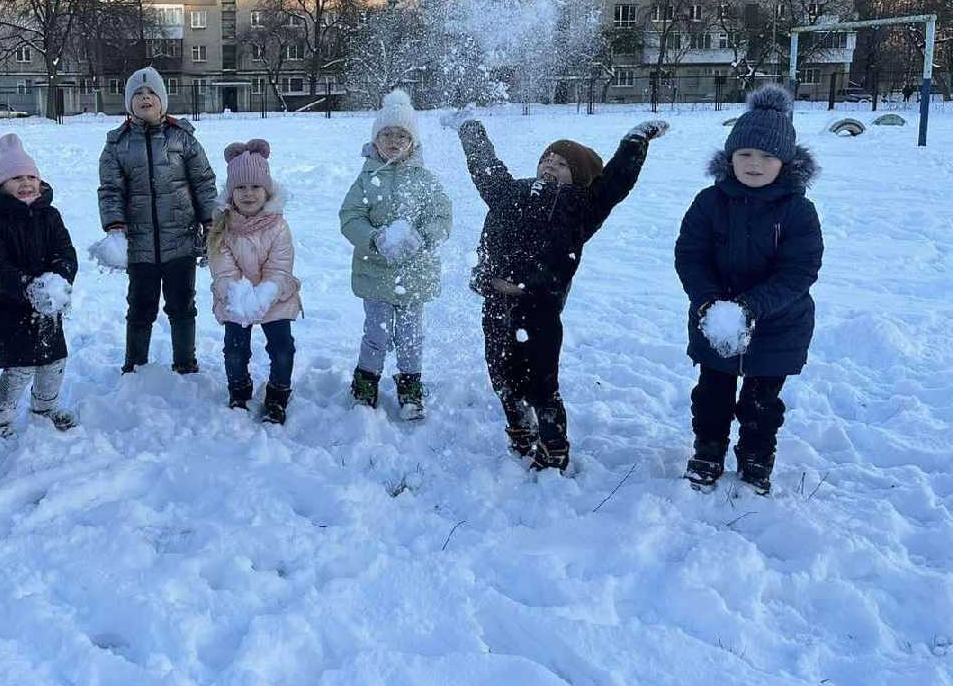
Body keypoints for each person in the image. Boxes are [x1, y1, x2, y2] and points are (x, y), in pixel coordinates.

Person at [458, 114, 667, 471]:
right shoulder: (512, 191)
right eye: (547, 159)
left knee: (541, 381)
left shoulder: (582, 206)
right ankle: (520, 429)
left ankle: (554, 447)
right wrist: (471, 131)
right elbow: (487, 169)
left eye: (562, 164)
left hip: (538, 308)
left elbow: (616, 180)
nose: (550, 166)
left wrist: (635, 141)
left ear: (579, 178)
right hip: (495, 299)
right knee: (501, 374)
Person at [675, 85, 823, 494]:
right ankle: (708, 449)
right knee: (712, 394)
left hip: (777, 325)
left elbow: (800, 271)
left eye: (766, 156)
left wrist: (751, 306)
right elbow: (690, 255)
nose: (754, 164)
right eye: (744, 154)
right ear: (730, 158)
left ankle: (756, 456)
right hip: (714, 321)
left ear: (785, 163)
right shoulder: (709, 202)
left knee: (761, 403)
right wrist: (707, 302)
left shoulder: (798, 211)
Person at [339, 90, 452, 421]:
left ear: (413, 142)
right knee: (376, 331)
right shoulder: (366, 179)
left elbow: (442, 216)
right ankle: (366, 381)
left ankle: (410, 385)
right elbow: (349, 218)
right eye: (387, 134)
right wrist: (374, 239)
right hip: (376, 272)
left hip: (413, 275)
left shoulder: (426, 180)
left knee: (411, 335)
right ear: (375, 139)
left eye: (402, 135)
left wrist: (424, 237)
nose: (394, 141)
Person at [97, 67, 218, 375]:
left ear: (163, 101)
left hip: (180, 241)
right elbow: (110, 189)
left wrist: (210, 220)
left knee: (182, 306)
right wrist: (114, 226)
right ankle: (134, 363)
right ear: (129, 102)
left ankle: (185, 362)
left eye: (151, 93)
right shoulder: (117, 144)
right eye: (137, 93)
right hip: (139, 245)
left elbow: (203, 181)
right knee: (140, 307)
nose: (145, 97)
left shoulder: (183, 139)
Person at [0, 133, 79, 436]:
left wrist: (59, 279)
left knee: (54, 358)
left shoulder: (50, 215)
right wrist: (28, 287)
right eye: (16, 177)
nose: (26, 183)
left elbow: (65, 251)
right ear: (0, 184)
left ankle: (45, 407)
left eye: (31, 176)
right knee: (20, 365)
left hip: (47, 307)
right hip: (6, 308)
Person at [207, 140, 302, 423]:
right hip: (235, 298)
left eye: (255, 187)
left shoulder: (278, 226)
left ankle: (278, 395)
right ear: (231, 192)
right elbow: (223, 270)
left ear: (267, 190)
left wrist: (264, 295)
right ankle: (239, 390)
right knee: (235, 350)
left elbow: (280, 267)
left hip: (276, 297)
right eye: (241, 188)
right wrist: (240, 297)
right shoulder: (223, 227)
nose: (248, 194)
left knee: (282, 348)